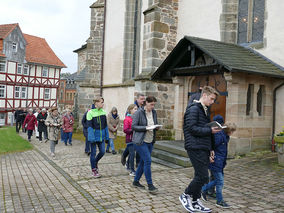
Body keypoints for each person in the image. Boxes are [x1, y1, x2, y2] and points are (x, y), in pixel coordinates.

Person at [179, 86, 221, 213]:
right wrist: (209, 130)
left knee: (202, 176)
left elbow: (208, 130)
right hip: (194, 146)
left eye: (214, 99)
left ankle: (195, 200)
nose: (212, 102)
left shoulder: (205, 110)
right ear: (204, 95)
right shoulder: (193, 109)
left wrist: (211, 149)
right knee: (202, 176)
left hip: (203, 146)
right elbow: (191, 128)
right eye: (211, 99)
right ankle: (186, 195)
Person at [201, 118, 236, 208]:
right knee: (220, 182)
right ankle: (219, 201)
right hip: (215, 161)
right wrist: (210, 156)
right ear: (229, 130)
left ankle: (203, 189)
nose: (233, 133)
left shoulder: (225, 136)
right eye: (233, 131)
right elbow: (211, 146)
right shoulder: (219, 136)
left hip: (220, 162)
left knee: (218, 180)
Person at [131, 96, 159, 194]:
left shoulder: (154, 112)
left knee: (143, 162)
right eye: (151, 104)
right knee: (147, 161)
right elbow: (133, 126)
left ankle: (136, 181)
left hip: (150, 141)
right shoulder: (139, 112)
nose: (152, 107)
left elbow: (155, 123)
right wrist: (145, 128)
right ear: (146, 103)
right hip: (140, 141)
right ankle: (150, 185)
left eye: (154, 105)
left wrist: (156, 127)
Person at [87, 97, 109, 178]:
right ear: (96, 103)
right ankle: (94, 170)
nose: (103, 104)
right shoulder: (90, 113)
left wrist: (107, 136)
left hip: (101, 137)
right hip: (93, 137)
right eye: (101, 102)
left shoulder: (103, 112)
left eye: (103, 102)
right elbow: (89, 127)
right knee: (93, 153)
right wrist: (91, 137)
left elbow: (105, 126)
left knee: (102, 151)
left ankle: (95, 162)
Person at [122, 104, 138, 176]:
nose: (136, 110)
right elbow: (125, 130)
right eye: (135, 109)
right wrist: (133, 130)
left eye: (136, 109)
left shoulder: (136, 118)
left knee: (130, 152)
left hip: (136, 139)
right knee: (132, 154)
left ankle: (127, 163)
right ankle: (132, 170)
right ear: (130, 110)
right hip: (130, 139)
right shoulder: (127, 119)